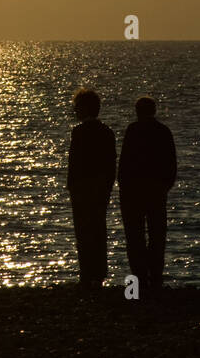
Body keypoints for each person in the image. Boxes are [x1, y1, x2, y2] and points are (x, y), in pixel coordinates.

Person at [117, 96, 177, 293]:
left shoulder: (132, 131)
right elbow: (171, 164)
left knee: (135, 238)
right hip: (156, 191)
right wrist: (164, 186)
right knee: (157, 236)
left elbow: (124, 163)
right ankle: (156, 279)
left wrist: (123, 188)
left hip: (133, 191)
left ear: (137, 111)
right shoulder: (163, 131)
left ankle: (138, 280)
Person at [67, 88, 116, 289]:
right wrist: (107, 186)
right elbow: (111, 163)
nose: (75, 110)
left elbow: (75, 163)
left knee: (83, 231)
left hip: (81, 189)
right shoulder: (107, 132)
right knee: (98, 229)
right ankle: (99, 273)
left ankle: (86, 272)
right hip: (100, 189)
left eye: (77, 107)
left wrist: (71, 186)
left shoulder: (78, 133)